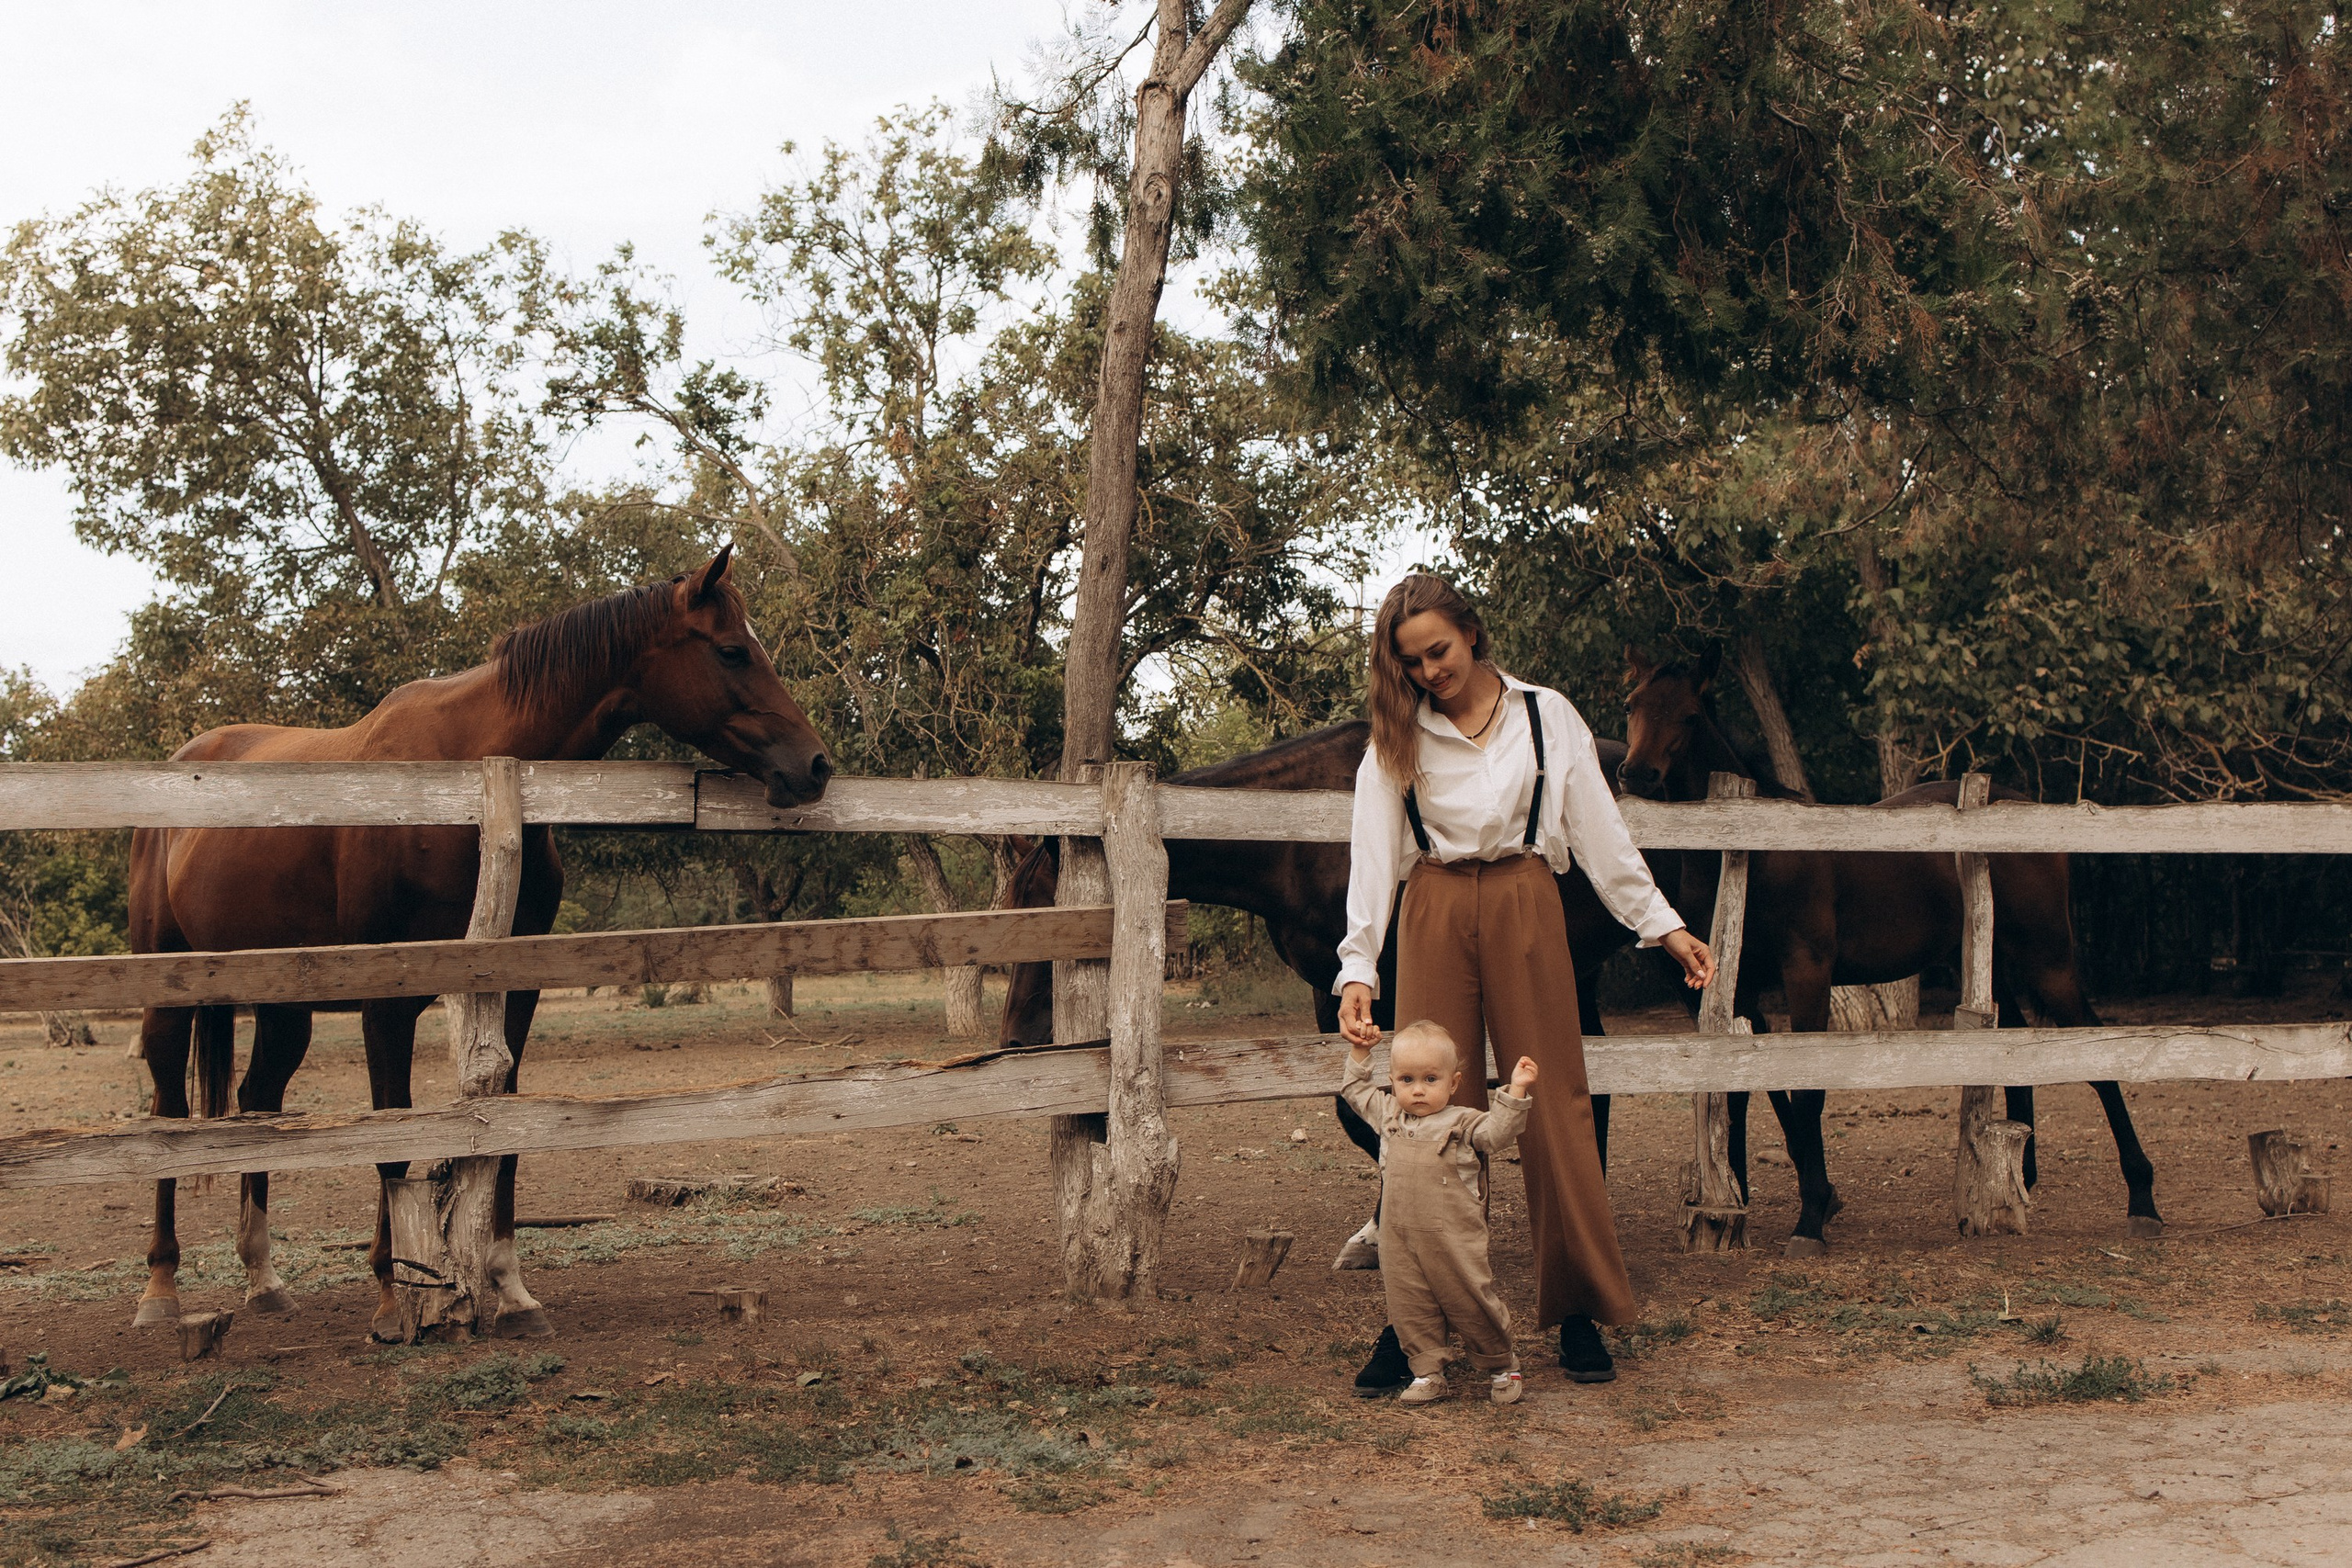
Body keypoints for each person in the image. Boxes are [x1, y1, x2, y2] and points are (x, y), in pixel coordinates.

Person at [1337, 574, 1713, 1392]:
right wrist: (1358, 967)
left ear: (1471, 631)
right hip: (1433, 903)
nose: (1430, 671)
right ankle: (1412, 1326)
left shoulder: (1547, 715)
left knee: (1553, 1103)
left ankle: (1577, 1310)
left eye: (1439, 650)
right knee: (1424, 1114)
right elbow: (1372, 855)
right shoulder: (1396, 736)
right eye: (1412, 661)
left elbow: (1601, 834)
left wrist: (1664, 925)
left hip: (1525, 896)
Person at [1341, 1019, 1537, 1405]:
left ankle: (1501, 1364)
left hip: (1454, 1238)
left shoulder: (1464, 1122)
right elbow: (1355, 1090)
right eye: (1407, 1080)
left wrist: (1515, 1091)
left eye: (1431, 1079)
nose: (1417, 1090)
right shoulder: (1389, 1116)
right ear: (1392, 1081)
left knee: (1469, 1300)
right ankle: (1427, 1371)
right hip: (1399, 1237)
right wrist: (1361, 1051)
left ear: (1453, 1083)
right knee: (1409, 1304)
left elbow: (1498, 1134)